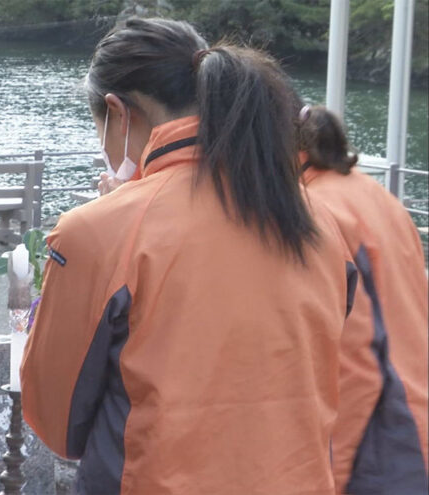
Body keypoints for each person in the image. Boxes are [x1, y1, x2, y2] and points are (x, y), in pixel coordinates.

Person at [19, 17, 358, 494]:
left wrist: (117, 210)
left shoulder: (98, 232)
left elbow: (57, 421)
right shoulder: (316, 222)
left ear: (118, 114)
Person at [298, 105, 429, 493]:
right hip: (415, 410)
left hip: (381, 439)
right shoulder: (377, 196)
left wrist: (330, 478)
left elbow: (356, 361)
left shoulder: (318, 212)